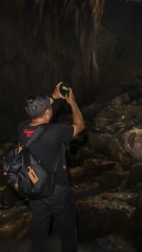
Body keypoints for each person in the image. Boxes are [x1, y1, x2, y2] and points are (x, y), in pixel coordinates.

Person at [20, 82, 85, 252]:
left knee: (40, 231)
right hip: (57, 190)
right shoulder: (55, 132)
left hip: (35, 189)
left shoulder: (22, 129)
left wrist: (52, 97)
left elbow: (38, 111)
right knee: (68, 230)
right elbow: (80, 126)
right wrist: (72, 102)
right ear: (48, 113)